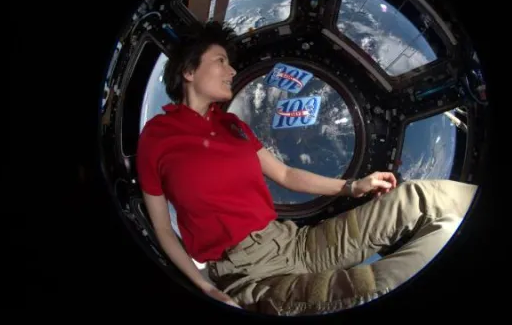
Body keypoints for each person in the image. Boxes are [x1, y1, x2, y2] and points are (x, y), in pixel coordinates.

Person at [136, 21, 478, 315]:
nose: (232, 71)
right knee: (381, 284)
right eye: (221, 61)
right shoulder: (157, 137)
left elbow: (286, 175)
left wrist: (353, 186)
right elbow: (163, 228)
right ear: (189, 71)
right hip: (250, 275)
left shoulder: (232, 126)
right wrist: (205, 288)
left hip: (293, 242)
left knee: (419, 198)